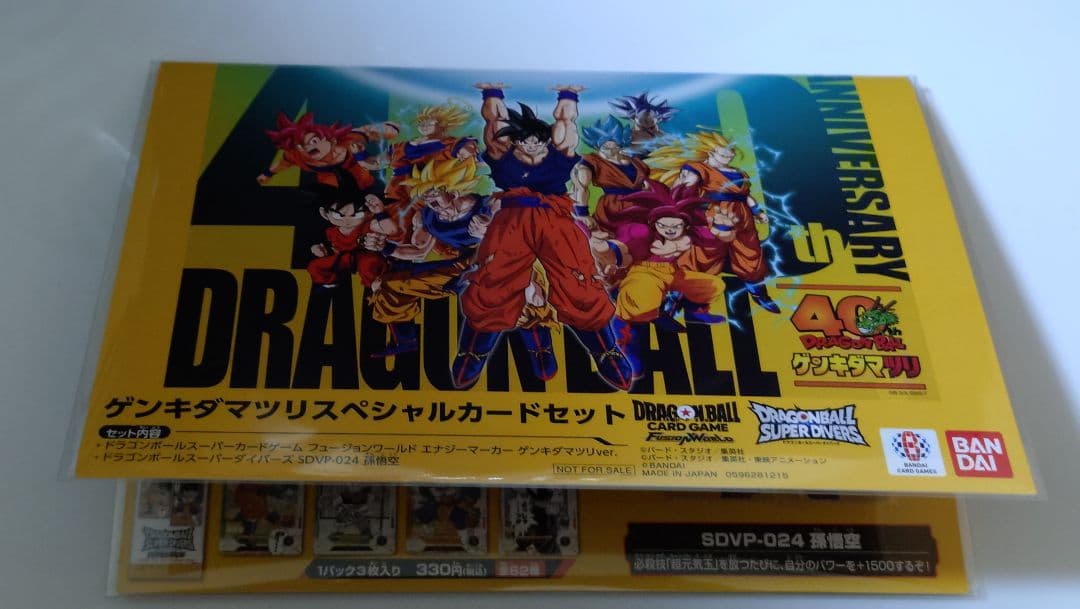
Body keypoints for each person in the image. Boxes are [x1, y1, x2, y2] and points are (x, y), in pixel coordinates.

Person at [453, 82, 633, 390]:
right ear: (516, 142)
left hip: (555, 219)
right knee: (493, 281)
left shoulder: (559, 153)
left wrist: (568, 94)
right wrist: (492, 93)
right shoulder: (502, 155)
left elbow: (566, 120)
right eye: (526, 141)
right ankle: (473, 351)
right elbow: (494, 120)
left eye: (539, 140)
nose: (533, 145)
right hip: (512, 220)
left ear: (546, 140)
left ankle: (606, 350)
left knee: (578, 280)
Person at [363, 158, 558, 380]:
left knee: (528, 298)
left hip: (507, 261)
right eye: (424, 194)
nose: (429, 200)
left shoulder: (489, 205)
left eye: (434, 193)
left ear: (453, 192)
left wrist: (491, 233)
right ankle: (406, 341)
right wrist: (386, 247)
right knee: (390, 284)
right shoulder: (427, 216)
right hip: (463, 267)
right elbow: (418, 251)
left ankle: (539, 348)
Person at [590, 182, 736, 376]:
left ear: (684, 224)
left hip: (672, 273)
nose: (670, 230)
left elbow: (719, 236)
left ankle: (693, 312)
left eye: (675, 226)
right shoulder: (641, 232)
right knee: (641, 307)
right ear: (654, 223)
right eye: (663, 225)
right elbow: (620, 248)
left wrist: (725, 226)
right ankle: (625, 343)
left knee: (712, 285)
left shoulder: (689, 233)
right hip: (643, 272)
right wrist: (604, 249)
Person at [647, 131, 780, 313]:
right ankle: (676, 296)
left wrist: (757, 211)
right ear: (711, 151)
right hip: (713, 215)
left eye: (731, 151)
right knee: (701, 256)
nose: (729, 155)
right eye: (723, 152)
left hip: (743, 218)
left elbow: (745, 195)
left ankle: (759, 294)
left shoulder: (739, 172)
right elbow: (681, 190)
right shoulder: (698, 169)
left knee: (750, 254)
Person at [259, 112, 399, 189]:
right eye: (300, 145)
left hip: (358, 173)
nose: (306, 148)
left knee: (364, 183)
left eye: (313, 141)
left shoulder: (350, 141)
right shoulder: (297, 156)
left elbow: (368, 131)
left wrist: (388, 128)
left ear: (330, 140)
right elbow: (283, 163)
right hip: (330, 180)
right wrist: (267, 174)